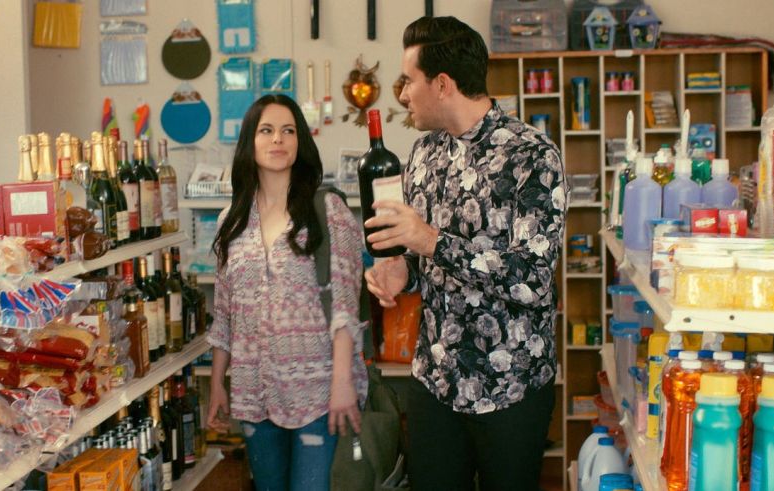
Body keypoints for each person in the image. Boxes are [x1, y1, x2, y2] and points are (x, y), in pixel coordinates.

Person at [364, 16, 567, 491]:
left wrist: (430, 240)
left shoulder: (532, 156)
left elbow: (532, 281)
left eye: (409, 81)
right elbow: (423, 259)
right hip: (435, 381)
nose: (403, 94)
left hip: (512, 388)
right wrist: (402, 274)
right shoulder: (422, 154)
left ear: (442, 84)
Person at [206, 94, 368, 491]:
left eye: (288, 130)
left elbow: (346, 303)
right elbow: (225, 315)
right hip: (252, 393)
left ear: (299, 142)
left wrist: (343, 381)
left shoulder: (327, 210)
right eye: (267, 130)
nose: (278, 139)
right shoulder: (231, 221)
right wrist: (216, 386)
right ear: (251, 142)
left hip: (318, 390)